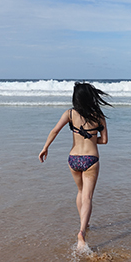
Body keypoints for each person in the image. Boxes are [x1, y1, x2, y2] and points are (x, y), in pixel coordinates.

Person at [39, 82, 110, 252]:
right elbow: (105, 140)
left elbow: (55, 130)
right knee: (88, 197)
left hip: (73, 159)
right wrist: (92, 139)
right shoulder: (99, 115)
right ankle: (82, 233)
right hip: (91, 159)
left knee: (80, 192)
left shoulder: (70, 113)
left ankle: (83, 223)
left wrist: (45, 148)